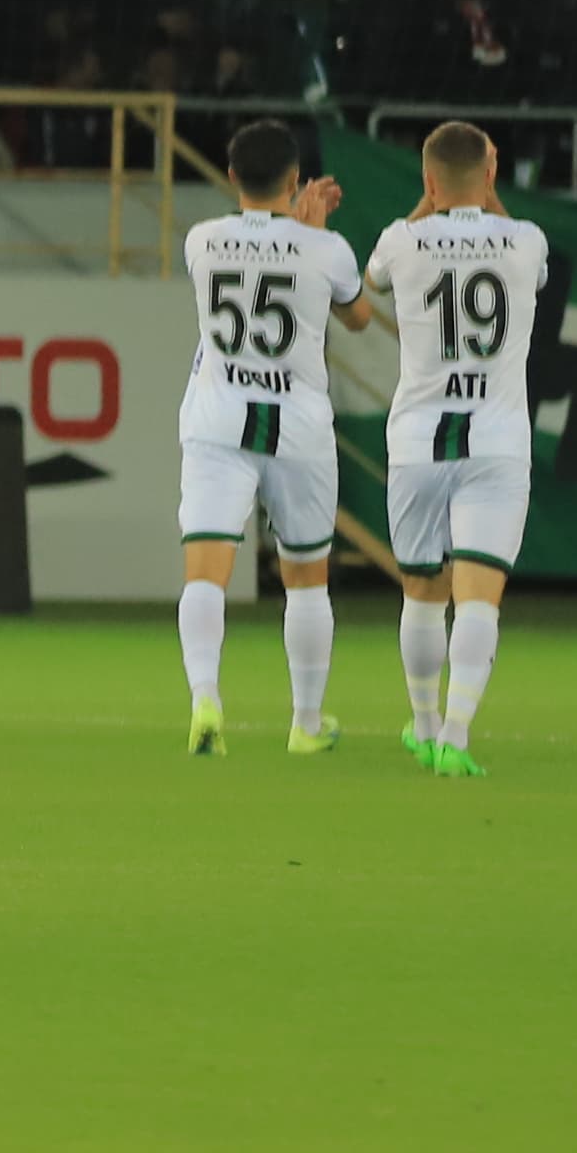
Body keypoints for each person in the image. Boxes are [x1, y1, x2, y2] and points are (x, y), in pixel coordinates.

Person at [170, 119, 376, 757]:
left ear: (231, 179)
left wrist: (293, 233)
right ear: (296, 180)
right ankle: (305, 724)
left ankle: (206, 697)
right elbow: (359, 317)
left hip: (217, 419)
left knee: (205, 572)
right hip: (298, 427)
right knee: (307, 577)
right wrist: (309, 234)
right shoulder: (328, 250)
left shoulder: (201, 240)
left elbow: (262, 261)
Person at [368, 119, 555, 775]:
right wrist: (487, 194)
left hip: (419, 442)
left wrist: (431, 203)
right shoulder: (525, 241)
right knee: (479, 598)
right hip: (497, 444)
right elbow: (520, 259)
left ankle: (421, 726)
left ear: (427, 179)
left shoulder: (401, 240)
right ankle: (455, 734)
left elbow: (373, 277)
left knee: (421, 592)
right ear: (491, 172)